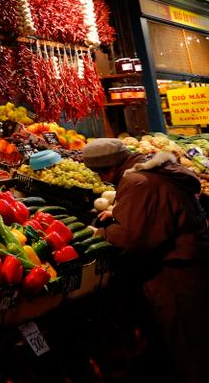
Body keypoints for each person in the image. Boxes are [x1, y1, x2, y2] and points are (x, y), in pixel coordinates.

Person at [83, 138, 209, 383]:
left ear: (106, 168)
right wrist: (120, 212)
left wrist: (99, 233)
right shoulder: (153, 169)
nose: (100, 180)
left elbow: (133, 239)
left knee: (187, 344)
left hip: (176, 273)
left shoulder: (137, 181)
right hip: (194, 265)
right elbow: (155, 212)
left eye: (98, 173)